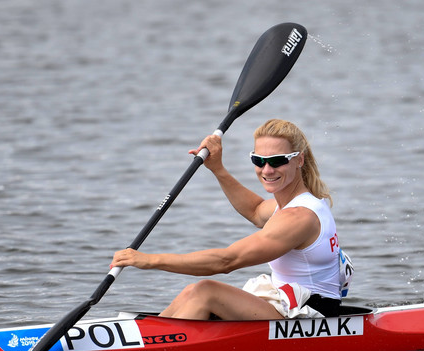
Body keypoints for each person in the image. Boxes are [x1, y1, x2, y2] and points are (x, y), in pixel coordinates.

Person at [111, 118, 347, 319]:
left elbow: (227, 261)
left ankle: (155, 347)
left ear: (299, 160)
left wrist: (148, 260)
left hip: (310, 315)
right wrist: (218, 169)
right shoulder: (293, 204)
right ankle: (147, 337)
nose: (266, 170)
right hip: (288, 302)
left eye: (277, 161)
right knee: (190, 291)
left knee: (206, 292)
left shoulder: (298, 217)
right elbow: (255, 210)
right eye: (259, 160)